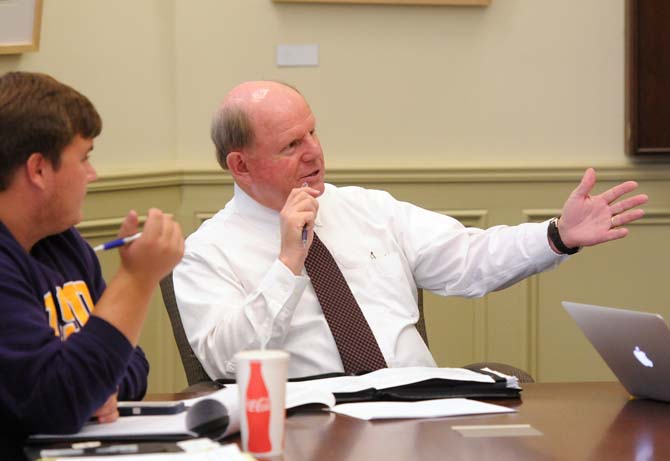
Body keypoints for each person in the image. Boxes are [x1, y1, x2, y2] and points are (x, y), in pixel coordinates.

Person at [173, 80, 648, 380]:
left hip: (419, 409)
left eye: (313, 133)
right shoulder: (208, 251)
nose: (315, 153)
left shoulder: (368, 209)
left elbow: (468, 258)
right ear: (241, 165)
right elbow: (225, 363)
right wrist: (287, 264)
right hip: (307, 424)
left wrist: (557, 236)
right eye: (291, 144)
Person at [0, 71, 184, 443]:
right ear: (38, 169)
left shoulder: (63, 243)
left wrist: (97, 387)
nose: (92, 174)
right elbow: (54, 402)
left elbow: (133, 362)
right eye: (83, 158)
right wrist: (136, 279)